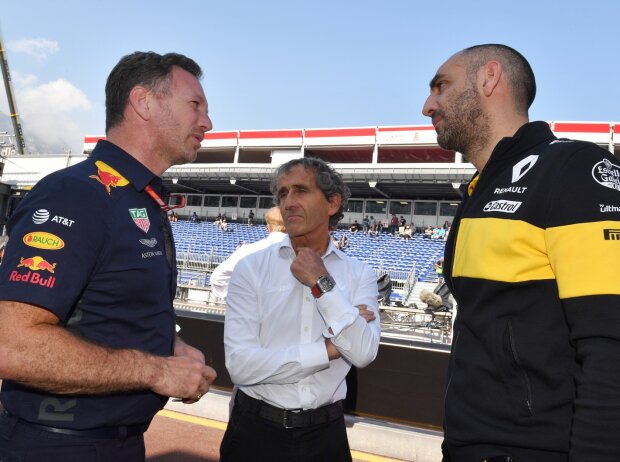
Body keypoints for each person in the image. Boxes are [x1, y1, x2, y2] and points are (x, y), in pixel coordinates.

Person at [0, 51, 217, 461]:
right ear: (143, 102)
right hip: (56, 446)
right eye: (195, 105)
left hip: (114, 443)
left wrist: (169, 345)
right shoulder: (77, 194)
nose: (207, 122)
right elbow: (11, 344)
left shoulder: (138, 199)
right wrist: (157, 370)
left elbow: (105, 307)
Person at [422, 43, 620, 461]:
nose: (428, 105)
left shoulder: (573, 168)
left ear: (489, 77)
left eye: (441, 86)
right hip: (466, 446)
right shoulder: (479, 189)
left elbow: (610, 344)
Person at [220, 157, 381, 462]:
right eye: (282, 194)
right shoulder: (250, 269)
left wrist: (321, 282)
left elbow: (363, 352)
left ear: (332, 203)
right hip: (254, 433)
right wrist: (330, 349)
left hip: (326, 437)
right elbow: (241, 366)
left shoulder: (360, 274)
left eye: (301, 191)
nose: (288, 202)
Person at [210, 207, 286, 299]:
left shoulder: (248, 251)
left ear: (268, 228)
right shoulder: (304, 254)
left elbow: (218, 278)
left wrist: (245, 301)